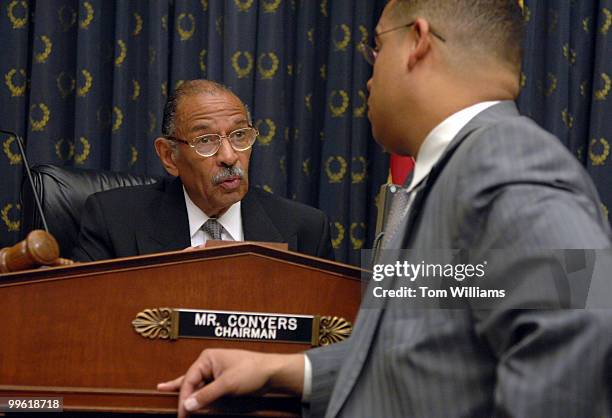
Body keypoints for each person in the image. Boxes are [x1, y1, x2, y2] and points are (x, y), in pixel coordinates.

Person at [157, 1, 612, 417]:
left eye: (377, 47)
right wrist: (285, 370)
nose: (370, 76)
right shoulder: (455, 173)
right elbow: (423, 353)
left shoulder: (509, 162)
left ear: (417, 42)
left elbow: (585, 326)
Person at [72, 80, 334, 261]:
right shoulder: (113, 221)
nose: (230, 157)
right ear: (169, 156)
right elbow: (90, 318)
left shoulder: (306, 229)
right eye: (206, 140)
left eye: (240, 135)